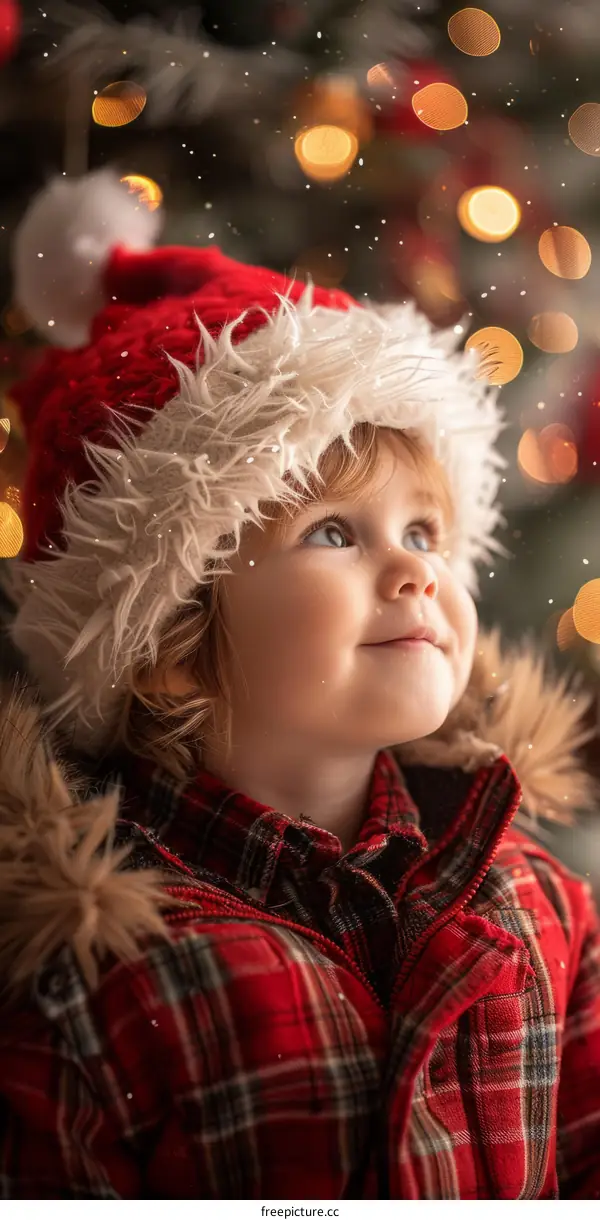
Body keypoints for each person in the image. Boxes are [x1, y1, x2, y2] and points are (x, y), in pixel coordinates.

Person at [0, 170, 599, 1200]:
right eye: (333, 532)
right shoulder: (95, 976)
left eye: (424, 532)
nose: (416, 570)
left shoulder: (541, 900)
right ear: (173, 634)